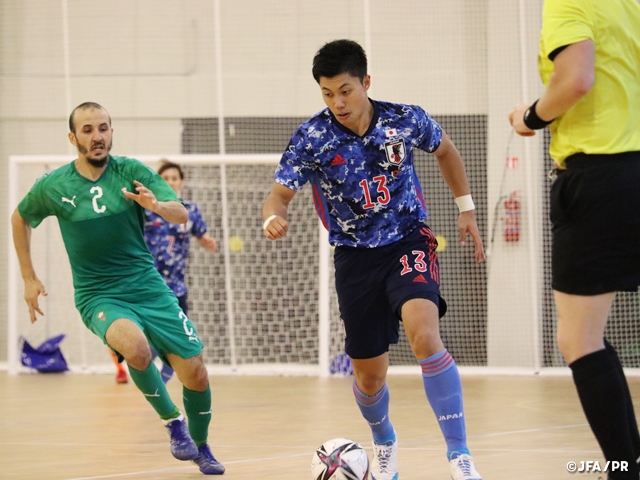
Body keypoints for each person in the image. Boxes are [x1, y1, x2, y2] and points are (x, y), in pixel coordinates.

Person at [263, 39, 485, 480]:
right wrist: (274, 214)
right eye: (327, 94)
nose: (337, 102)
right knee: (369, 378)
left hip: (408, 240)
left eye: (345, 90)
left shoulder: (405, 119)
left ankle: (460, 457)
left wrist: (466, 209)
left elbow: (446, 150)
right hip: (354, 258)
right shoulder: (312, 137)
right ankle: (384, 441)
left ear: (366, 82)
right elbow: (280, 193)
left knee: (424, 335)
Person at [11, 102, 225, 475]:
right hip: (99, 294)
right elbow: (19, 218)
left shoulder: (131, 171)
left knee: (196, 372)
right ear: (73, 137)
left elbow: (181, 213)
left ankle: (202, 445)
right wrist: (29, 277)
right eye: (89, 130)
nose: (98, 137)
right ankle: (173, 423)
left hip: (149, 286)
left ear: (112, 131)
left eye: (104, 128)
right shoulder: (54, 185)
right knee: (137, 349)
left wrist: (156, 204)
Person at [509, 1, 640, 478]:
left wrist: (531, 116)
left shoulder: (570, 2)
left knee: (580, 337)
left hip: (604, 177)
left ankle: (625, 468)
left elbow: (576, 79)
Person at [110, 161, 218, 385]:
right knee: (146, 334)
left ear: (182, 182)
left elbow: (199, 232)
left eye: (174, 178)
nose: (170, 182)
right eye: (165, 178)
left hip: (177, 283)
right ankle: (143, 372)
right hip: (149, 282)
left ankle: (165, 378)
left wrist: (205, 240)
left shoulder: (190, 209)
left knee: (178, 334)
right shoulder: (147, 209)